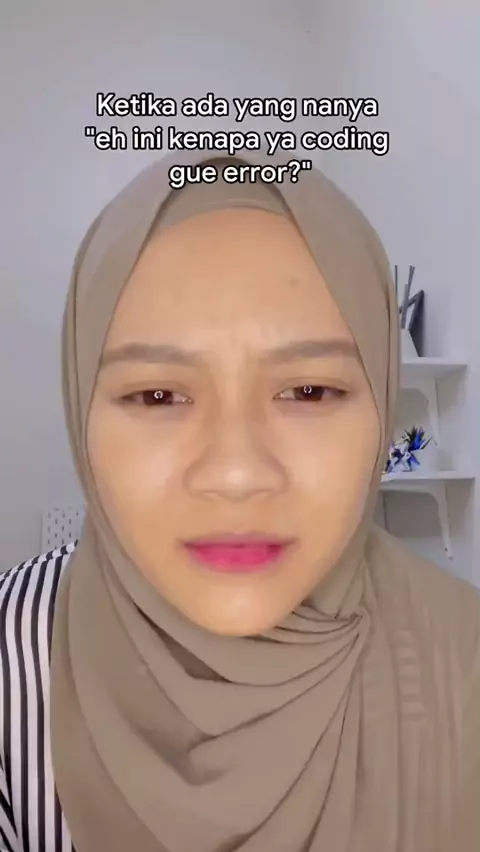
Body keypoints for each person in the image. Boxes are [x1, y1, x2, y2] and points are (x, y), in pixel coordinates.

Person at [0, 151, 478, 852]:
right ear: (81, 407)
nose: (235, 474)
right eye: (157, 395)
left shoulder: (465, 661)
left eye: (309, 391)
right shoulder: (11, 657)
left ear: (381, 401)